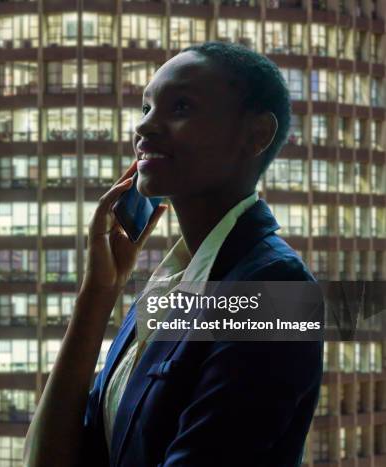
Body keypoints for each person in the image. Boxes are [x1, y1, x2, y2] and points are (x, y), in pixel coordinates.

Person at [24, 40, 324, 467]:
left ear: (256, 134)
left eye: (180, 107)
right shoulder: (168, 287)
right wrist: (99, 292)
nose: (145, 128)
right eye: (146, 108)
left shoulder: (275, 288)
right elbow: (51, 457)